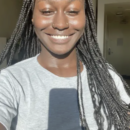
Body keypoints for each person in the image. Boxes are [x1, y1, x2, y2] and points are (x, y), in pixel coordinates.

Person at [0, 0, 130, 130]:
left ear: (85, 18)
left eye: (73, 11)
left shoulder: (107, 75)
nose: (60, 24)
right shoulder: (11, 80)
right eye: (47, 11)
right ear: (32, 17)